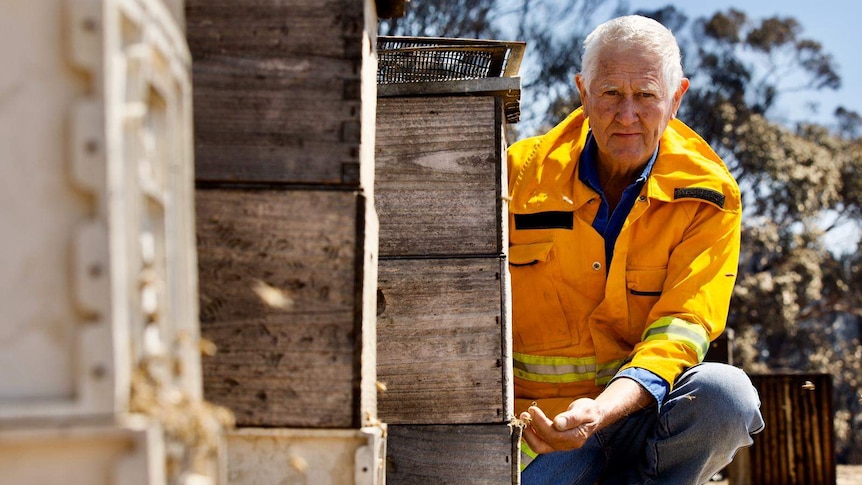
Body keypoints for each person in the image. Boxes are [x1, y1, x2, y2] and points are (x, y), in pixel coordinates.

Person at [507, 15, 765, 485]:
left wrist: (602, 410)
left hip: (645, 415)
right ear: (583, 93)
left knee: (726, 395)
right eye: (610, 95)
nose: (627, 116)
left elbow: (684, 328)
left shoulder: (709, 194)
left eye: (646, 96)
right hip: (543, 431)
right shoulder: (518, 176)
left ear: (676, 97)